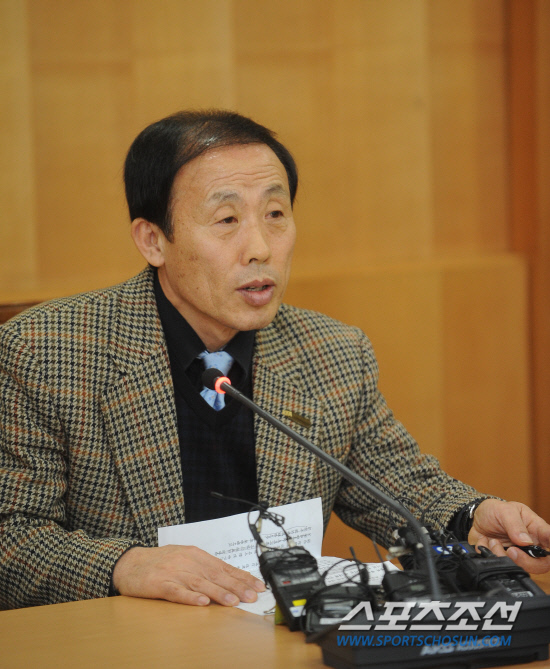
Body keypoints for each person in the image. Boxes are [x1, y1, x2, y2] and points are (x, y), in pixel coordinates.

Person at [0, 110, 549, 611]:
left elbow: (399, 483)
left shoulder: (331, 352)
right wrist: (123, 565)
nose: (260, 247)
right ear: (152, 241)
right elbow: (12, 538)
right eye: (226, 220)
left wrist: (471, 516)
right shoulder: (46, 353)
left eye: (276, 214)